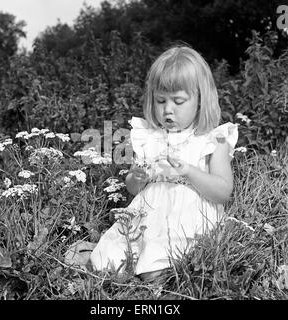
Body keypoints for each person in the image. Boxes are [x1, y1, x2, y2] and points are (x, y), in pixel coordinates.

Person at [89, 44, 238, 282]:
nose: (168, 109)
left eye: (178, 101)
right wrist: (136, 178)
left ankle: (160, 277)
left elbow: (223, 192)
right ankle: (129, 272)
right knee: (108, 263)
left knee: (157, 266)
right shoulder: (149, 136)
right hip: (147, 215)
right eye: (160, 100)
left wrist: (190, 171)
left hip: (187, 218)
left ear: (200, 101)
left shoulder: (212, 139)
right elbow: (133, 189)